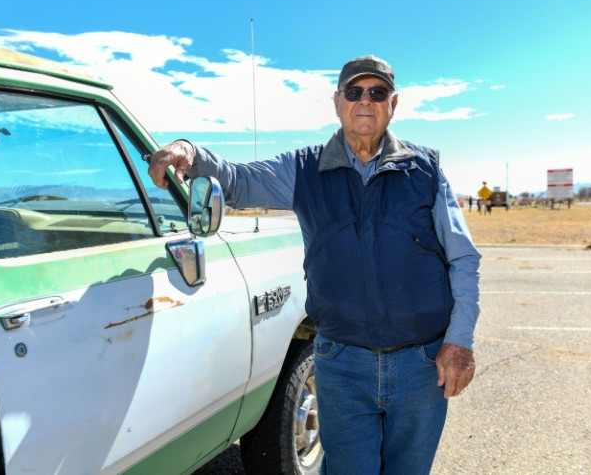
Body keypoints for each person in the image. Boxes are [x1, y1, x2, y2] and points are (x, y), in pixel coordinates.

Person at [148, 55, 481, 474]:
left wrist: (460, 342)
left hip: (421, 366)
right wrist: (191, 153)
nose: (365, 101)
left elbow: (463, 258)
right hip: (342, 365)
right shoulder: (303, 168)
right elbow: (237, 181)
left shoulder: (425, 170)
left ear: (392, 105)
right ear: (337, 102)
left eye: (377, 93)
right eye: (354, 92)